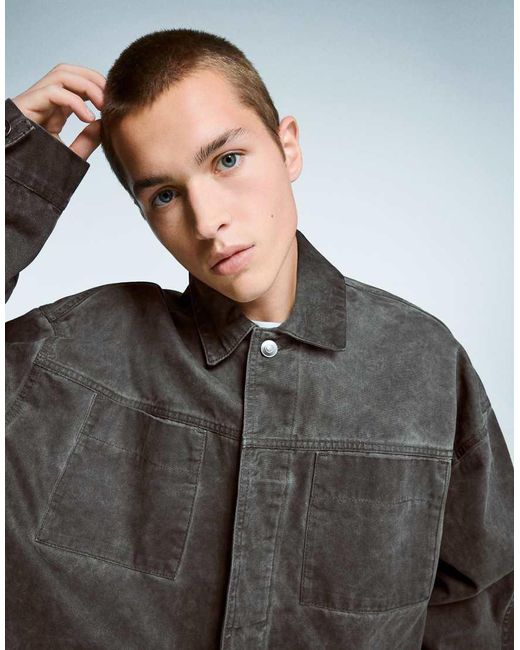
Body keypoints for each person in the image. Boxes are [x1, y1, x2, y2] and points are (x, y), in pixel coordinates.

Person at [5, 28, 513, 650]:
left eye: (227, 160)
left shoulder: (423, 365)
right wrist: (10, 177)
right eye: (165, 195)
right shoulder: (70, 349)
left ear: (287, 147)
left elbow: (477, 614)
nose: (207, 221)